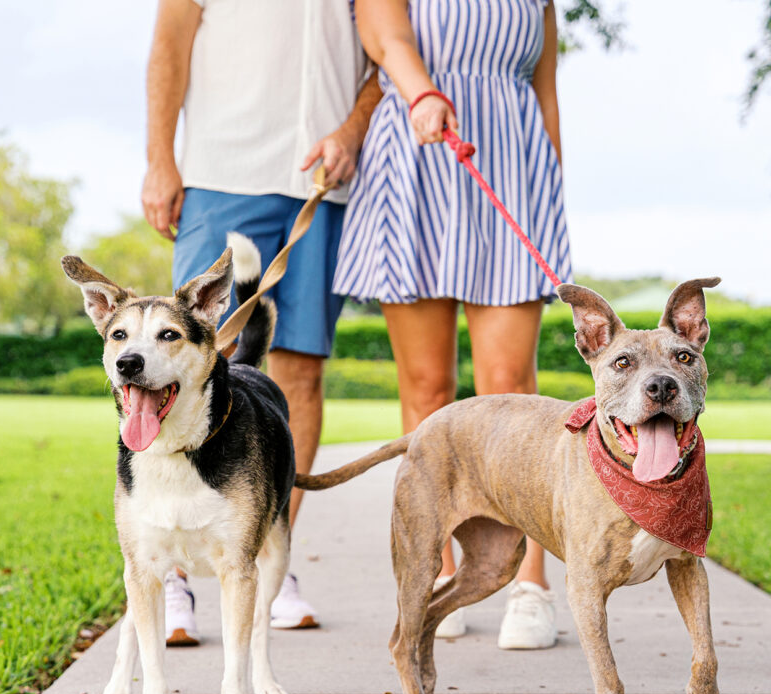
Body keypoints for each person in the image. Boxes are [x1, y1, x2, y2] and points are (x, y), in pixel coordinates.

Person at [141, 0, 382, 644]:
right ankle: (173, 577)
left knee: (300, 370)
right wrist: (160, 157)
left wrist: (354, 130)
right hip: (222, 173)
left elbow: (380, 62)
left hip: (321, 186)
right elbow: (170, 45)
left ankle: (271, 558)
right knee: (191, 365)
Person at [334, 0, 572, 648]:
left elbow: (544, 90)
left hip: (510, 163)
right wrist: (422, 93)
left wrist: (549, 183)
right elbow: (382, 34)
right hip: (415, 155)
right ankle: (440, 574)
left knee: (510, 386)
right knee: (427, 388)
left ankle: (530, 581)